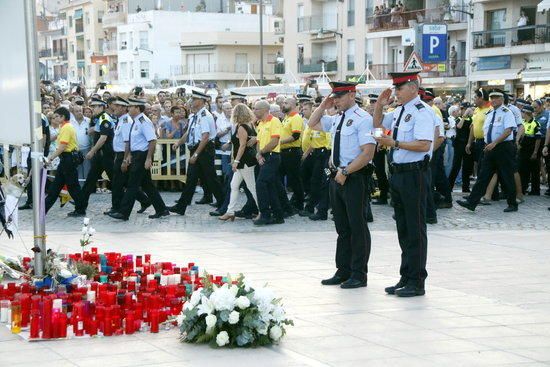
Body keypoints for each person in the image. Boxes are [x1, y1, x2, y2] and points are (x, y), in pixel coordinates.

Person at [373, 72, 437, 297]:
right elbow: (378, 127)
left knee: (415, 228)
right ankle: (406, 275)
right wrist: (380, 106)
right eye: (395, 88)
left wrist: (395, 142)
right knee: (403, 228)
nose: (396, 92)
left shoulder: (423, 113)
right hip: (399, 174)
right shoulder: (400, 111)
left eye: (399, 88)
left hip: (414, 174)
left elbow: (423, 144)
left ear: (413, 87)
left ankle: (417, 280)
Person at [308, 81, 376, 289]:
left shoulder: (363, 119)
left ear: (352, 95)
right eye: (334, 97)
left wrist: (346, 172)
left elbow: (367, 153)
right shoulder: (338, 118)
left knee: (357, 227)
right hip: (336, 177)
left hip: (354, 176)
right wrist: (322, 105)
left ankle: (358, 273)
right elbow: (312, 123)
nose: (335, 100)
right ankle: (343, 270)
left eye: (339, 96)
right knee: (342, 228)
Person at [457, 89, 518, 212]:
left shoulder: (507, 112)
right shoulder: (489, 113)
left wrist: (495, 143)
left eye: (496, 98)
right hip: (489, 147)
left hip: (503, 147)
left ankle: (512, 203)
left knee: (507, 176)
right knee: (483, 175)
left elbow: (508, 131)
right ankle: (471, 202)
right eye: (492, 98)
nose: (494, 100)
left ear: (502, 99)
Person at [108, 98, 169, 220]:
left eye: (131, 106)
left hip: (142, 156)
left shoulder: (143, 121)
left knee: (132, 185)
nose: (128, 108)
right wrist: (129, 155)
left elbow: (152, 140)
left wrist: (148, 159)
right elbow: (133, 141)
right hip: (136, 155)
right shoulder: (136, 121)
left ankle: (124, 213)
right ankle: (161, 209)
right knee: (147, 185)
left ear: (137, 108)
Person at [168, 90, 225, 215]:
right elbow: (189, 133)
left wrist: (195, 154)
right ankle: (181, 206)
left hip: (204, 149)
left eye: (194, 99)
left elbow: (205, 137)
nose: (192, 101)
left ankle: (223, 205)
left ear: (200, 101)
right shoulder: (195, 115)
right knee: (191, 179)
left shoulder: (205, 115)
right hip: (197, 149)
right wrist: (178, 143)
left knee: (211, 178)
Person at [106, 97, 150, 216]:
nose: (114, 108)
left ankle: (117, 208)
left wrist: (125, 159)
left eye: (117, 106)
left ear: (123, 108)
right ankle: (145, 200)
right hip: (120, 155)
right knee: (125, 182)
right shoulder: (121, 120)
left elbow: (127, 142)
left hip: (125, 155)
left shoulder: (126, 121)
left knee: (119, 183)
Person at [219, 104, 259, 221]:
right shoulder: (250, 125)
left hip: (244, 161)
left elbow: (242, 146)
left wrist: (235, 161)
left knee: (251, 187)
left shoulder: (242, 127)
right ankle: (230, 212)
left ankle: (263, 210)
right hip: (246, 161)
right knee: (234, 186)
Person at [44, 107, 86, 216]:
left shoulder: (66, 127)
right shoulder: (64, 127)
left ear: (63, 117)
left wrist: (50, 158)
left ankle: (81, 209)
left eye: (57, 116)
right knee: (56, 186)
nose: (55, 118)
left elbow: (62, 146)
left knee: (73, 186)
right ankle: (43, 209)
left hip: (68, 159)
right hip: (66, 159)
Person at [252, 100, 286, 225]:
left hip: (272, 156)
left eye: (256, 109)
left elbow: (274, 141)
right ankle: (278, 215)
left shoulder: (274, 121)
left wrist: (261, 152)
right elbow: (259, 141)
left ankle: (265, 214)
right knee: (270, 185)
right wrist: (258, 154)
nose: (254, 111)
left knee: (261, 183)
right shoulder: (260, 123)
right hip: (264, 155)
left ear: (264, 110)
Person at [299, 96, 331, 220]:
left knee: (321, 182)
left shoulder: (327, 123)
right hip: (317, 154)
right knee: (314, 181)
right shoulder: (315, 124)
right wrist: (307, 153)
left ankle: (318, 209)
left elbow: (327, 140)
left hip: (325, 153)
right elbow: (312, 140)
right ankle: (313, 206)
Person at [80, 97, 115, 210]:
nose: (93, 109)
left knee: (116, 181)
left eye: (95, 106)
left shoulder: (104, 118)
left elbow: (103, 138)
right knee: (90, 180)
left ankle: (142, 200)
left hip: (105, 154)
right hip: (100, 155)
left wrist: (92, 151)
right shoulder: (99, 118)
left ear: (101, 107)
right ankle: (80, 204)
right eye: (92, 106)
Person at [279, 97, 305, 212]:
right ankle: (287, 203)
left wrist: (279, 142)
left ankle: (299, 204)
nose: (283, 105)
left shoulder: (296, 117)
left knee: (295, 179)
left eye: (286, 103)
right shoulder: (286, 118)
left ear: (294, 105)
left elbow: (295, 136)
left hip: (292, 152)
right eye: (283, 103)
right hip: (284, 152)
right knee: (281, 178)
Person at [448, 104, 474, 192]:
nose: (462, 110)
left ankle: (465, 187)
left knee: (467, 166)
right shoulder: (457, 119)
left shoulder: (471, 119)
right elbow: (459, 126)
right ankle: (449, 186)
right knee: (456, 165)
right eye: (461, 109)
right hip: (459, 144)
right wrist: (464, 116)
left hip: (468, 143)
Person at [517, 105, 542, 195]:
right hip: (523, 151)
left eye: (522, 112)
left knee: (534, 171)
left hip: (532, 151)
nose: (521, 114)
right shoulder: (523, 123)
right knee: (522, 170)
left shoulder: (535, 124)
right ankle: (523, 189)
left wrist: (535, 152)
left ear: (526, 113)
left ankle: (535, 190)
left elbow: (538, 139)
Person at [71, 105, 92, 184]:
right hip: (75, 149)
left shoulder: (89, 121)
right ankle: (80, 187)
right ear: (73, 113)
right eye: (77, 111)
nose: (79, 113)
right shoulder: (70, 122)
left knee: (87, 169)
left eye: (80, 110)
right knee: (78, 170)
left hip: (87, 148)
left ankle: (87, 189)